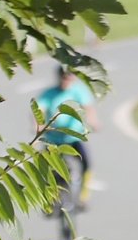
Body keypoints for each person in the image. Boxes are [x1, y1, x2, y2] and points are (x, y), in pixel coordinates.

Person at [36, 65, 97, 206]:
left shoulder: (78, 91)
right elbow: (38, 110)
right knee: (43, 168)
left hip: (73, 138)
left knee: (86, 164)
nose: (65, 78)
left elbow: (88, 108)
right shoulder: (49, 93)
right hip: (52, 139)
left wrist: (92, 122)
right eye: (63, 75)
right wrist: (37, 125)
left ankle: (82, 195)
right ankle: (48, 198)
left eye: (68, 75)